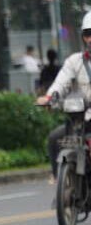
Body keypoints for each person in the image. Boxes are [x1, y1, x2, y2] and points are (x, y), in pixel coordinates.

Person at [38, 12, 91, 178]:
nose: (90, 39)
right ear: (83, 37)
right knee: (55, 138)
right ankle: (61, 183)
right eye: (87, 34)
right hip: (80, 121)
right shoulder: (74, 61)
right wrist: (49, 99)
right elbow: (61, 83)